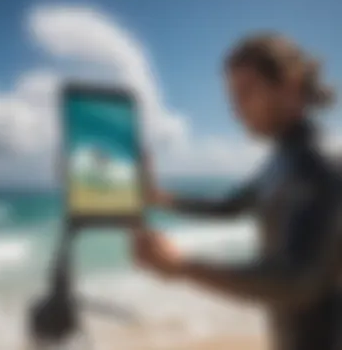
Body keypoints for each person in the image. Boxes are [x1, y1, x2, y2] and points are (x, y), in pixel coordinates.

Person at [134, 32, 342, 350]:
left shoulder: (321, 162)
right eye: (232, 97)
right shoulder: (282, 160)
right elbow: (229, 205)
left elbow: (300, 282)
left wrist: (184, 267)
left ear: (291, 84)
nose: (236, 111)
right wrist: (160, 197)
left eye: (246, 92)